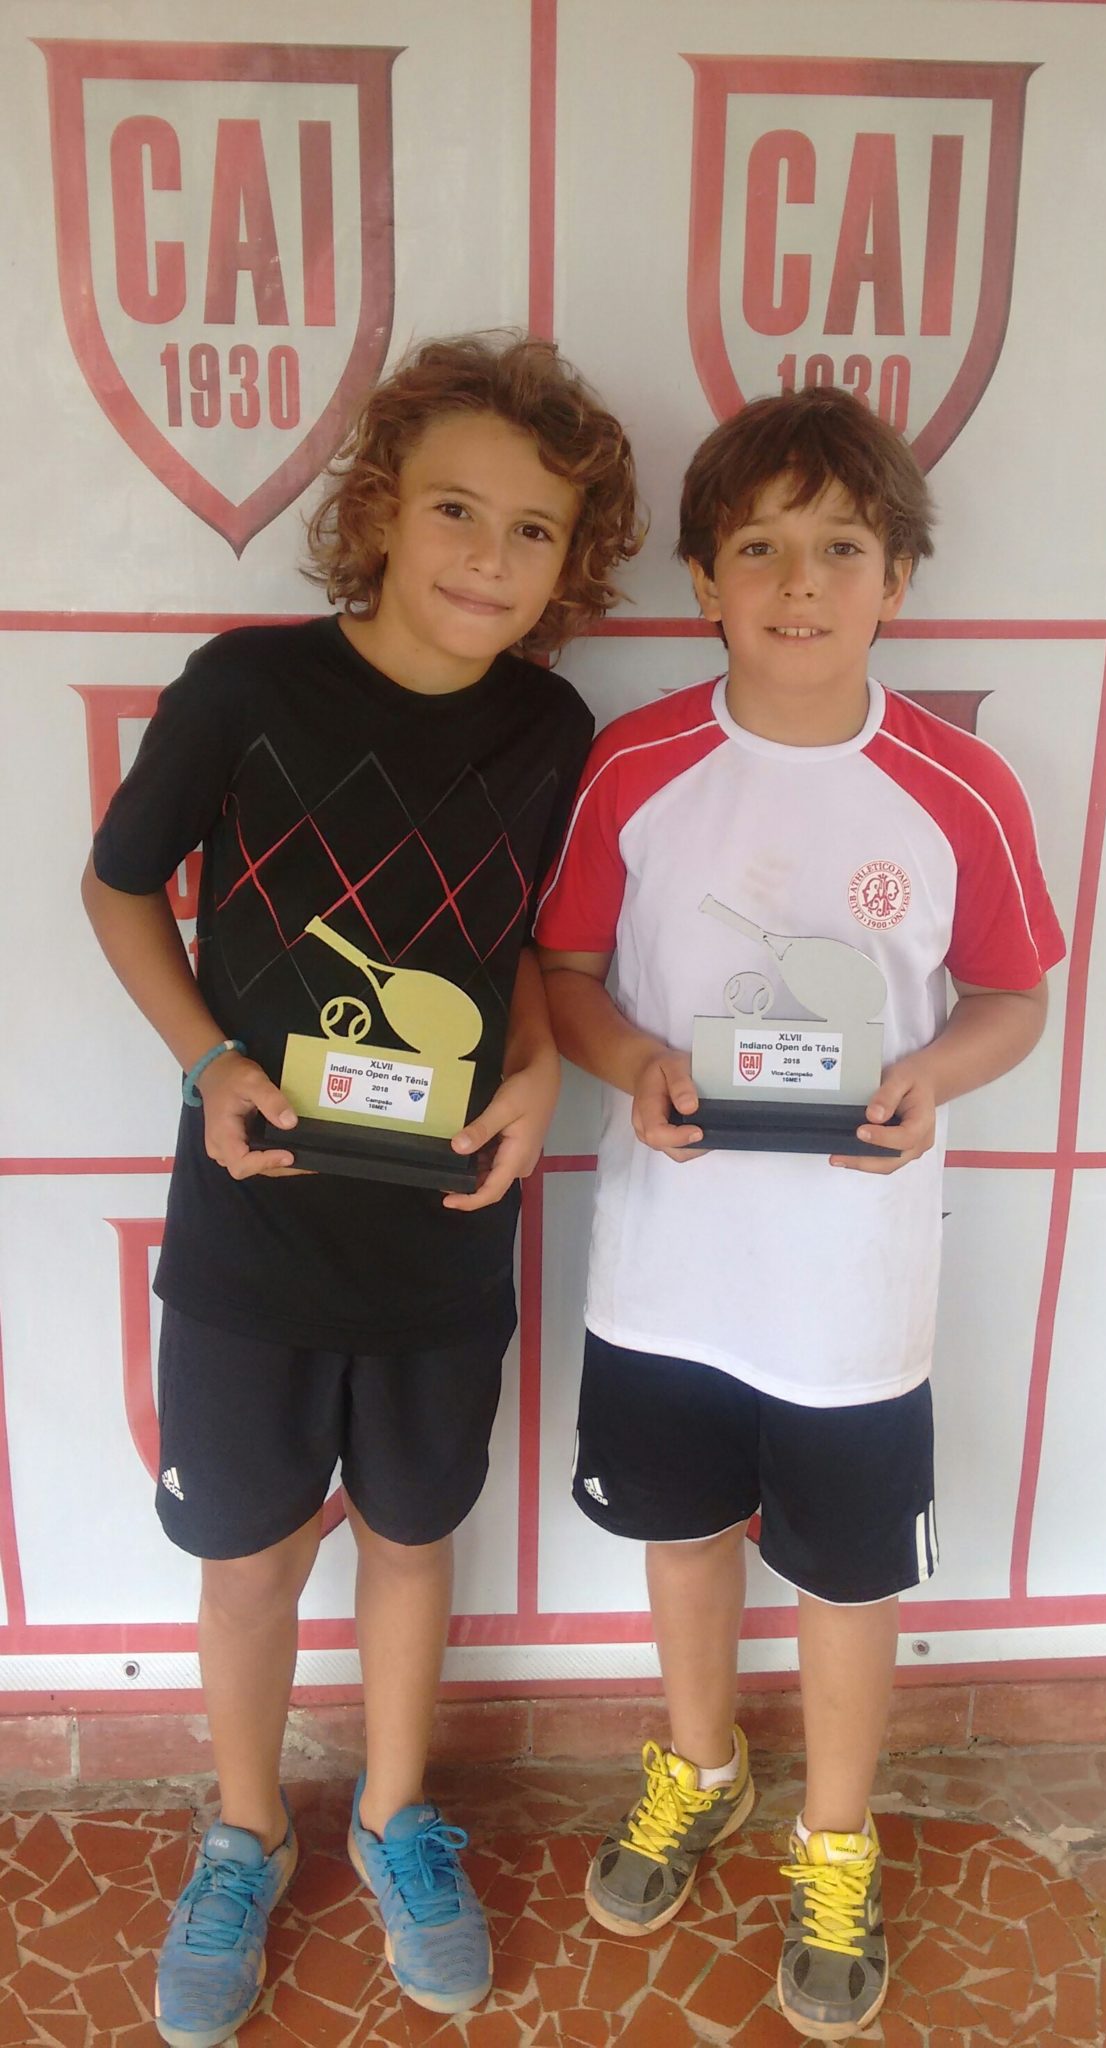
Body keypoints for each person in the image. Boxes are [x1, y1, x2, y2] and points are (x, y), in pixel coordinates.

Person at [82, 332, 640, 2046]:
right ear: (381, 508)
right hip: (252, 1222)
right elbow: (119, 888)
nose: (488, 555)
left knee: (410, 1537)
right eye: (456, 508)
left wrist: (540, 1074)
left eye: (533, 530)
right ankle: (244, 1832)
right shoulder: (243, 688)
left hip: (443, 1230)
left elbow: (533, 950)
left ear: (572, 562)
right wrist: (208, 1061)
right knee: (250, 1559)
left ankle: (398, 1815)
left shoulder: (552, 727)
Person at [535, 384, 1064, 2042]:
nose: (798, 582)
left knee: (842, 1576)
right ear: (702, 579)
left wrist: (930, 1079)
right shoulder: (635, 765)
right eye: (758, 547)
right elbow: (563, 971)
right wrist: (629, 1063)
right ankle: (698, 1763)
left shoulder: (957, 785)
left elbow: (1011, 997)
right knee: (683, 1534)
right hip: (666, 1264)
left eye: (840, 547)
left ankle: (834, 1839)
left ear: (895, 580)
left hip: (848, 1283)